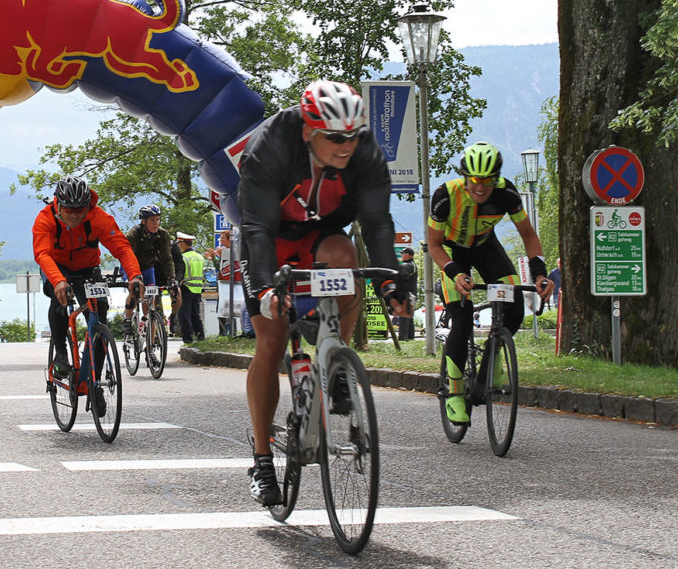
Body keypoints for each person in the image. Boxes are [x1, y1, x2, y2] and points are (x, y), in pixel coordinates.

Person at [237, 79, 408, 506]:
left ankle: (335, 358)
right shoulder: (273, 144)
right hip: (270, 239)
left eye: (352, 135)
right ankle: (261, 458)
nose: (345, 145)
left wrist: (389, 283)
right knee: (272, 341)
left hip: (321, 236)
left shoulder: (364, 152)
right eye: (335, 137)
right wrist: (263, 291)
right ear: (309, 130)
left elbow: (377, 222)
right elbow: (256, 228)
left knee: (346, 254)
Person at [427, 141, 553, 425]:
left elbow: (529, 236)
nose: (480, 188)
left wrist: (540, 274)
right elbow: (434, 246)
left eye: (487, 181)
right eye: (474, 181)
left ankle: (493, 360)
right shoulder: (445, 196)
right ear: (465, 177)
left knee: (516, 305)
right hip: (452, 252)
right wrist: (456, 273)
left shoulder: (506, 193)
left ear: (495, 179)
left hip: (486, 248)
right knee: (462, 321)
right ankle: (455, 392)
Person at [32, 176, 144, 380]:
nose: (75, 216)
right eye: (69, 211)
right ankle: (61, 354)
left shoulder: (98, 217)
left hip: (88, 268)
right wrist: (58, 280)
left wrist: (135, 276)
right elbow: (42, 254)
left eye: (80, 210)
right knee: (59, 298)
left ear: (88, 205)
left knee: (100, 317)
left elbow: (122, 249)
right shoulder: (45, 218)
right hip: (57, 267)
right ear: (59, 205)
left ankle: (95, 380)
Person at [122, 204, 176, 335]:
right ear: (143, 221)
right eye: (152, 220)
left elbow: (166, 258)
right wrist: (135, 276)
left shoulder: (162, 234)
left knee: (150, 300)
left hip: (148, 268)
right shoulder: (134, 233)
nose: (156, 223)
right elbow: (128, 255)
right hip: (130, 266)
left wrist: (171, 278)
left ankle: (150, 345)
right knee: (135, 291)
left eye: (158, 220)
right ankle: (127, 319)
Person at [207, 228, 245, 336]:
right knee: (222, 308)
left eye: (223, 238)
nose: (220, 241)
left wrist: (220, 253)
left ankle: (240, 331)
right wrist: (214, 257)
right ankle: (223, 332)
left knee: (237, 308)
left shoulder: (235, 250)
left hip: (236, 284)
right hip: (224, 283)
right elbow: (220, 267)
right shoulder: (223, 252)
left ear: (230, 240)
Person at [175, 232, 206, 343]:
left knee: (184, 316)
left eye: (178, 243)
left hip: (186, 288)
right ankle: (200, 337)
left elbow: (180, 274)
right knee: (195, 315)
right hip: (198, 289)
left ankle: (188, 340)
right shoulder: (200, 257)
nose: (177, 245)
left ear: (183, 243)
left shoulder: (182, 257)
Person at [397, 247, 418, 341]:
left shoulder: (409, 265)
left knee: (403, 316)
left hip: (407, 293)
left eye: (403, 253)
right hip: (411, 293)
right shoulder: (411, 265)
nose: (401, 255)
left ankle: (402, 338)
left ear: (409, 255)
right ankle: (410, 336)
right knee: (408, 316)